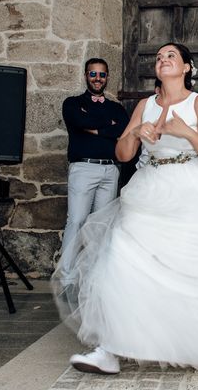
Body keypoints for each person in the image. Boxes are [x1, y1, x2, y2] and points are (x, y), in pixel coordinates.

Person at [52, 43, 198, 374]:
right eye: (159, 57)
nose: (163, 60)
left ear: (187, 67)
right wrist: (137, 135)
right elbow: (122, 154)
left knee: (182, 268)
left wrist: (186, 132)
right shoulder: (145, 105)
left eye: (170, 56)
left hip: (193, 187)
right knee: (121, 258)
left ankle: (187, 341)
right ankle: (110, 349)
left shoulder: (197, 104)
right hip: (150, 186)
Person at [59, 58, 129, 283]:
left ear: (107, 77)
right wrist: (107, 126)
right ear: (86, 76)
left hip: (110, 171)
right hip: (83, 168)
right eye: (93, 74)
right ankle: (66, 273)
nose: (98, 79)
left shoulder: (116, 108)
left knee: (102, 224)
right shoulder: (72, 103)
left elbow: (123, 129)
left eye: (102, 75)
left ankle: (96, 274)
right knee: (77, 220)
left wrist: (95, 127)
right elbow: (78, 121)